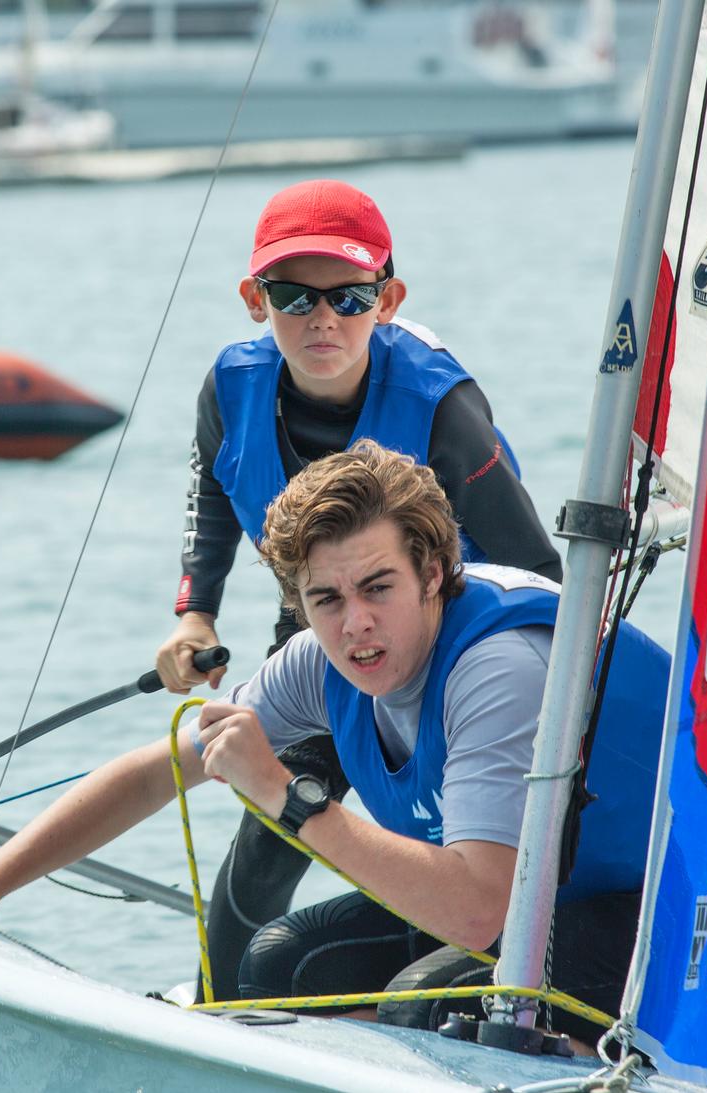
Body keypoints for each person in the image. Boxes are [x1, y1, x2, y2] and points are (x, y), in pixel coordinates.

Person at [0, 442, 668, 1049]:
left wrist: (289, 798)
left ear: (433, 569)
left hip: (665, 918)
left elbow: (477, 907)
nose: (356, 623)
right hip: (533, 910)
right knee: (280, 965)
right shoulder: (321, 660)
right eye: (326, 598)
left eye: (378, 587)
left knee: (428, 1001)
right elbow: (151, 775)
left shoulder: (497, 669)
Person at [155, 177, 563, 997]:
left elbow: (546, 577)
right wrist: (195, 614)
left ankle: (451, 957)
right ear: (253, 298)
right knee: (268, 831)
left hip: (456, 654)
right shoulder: (228, 388)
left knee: (441, 848)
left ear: (388, 299)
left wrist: (470, 687)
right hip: (320, 633)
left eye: (349, 296)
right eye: (291, 295)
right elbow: (214, 496)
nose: (322, 319)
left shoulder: (441, 410)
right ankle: (212, 1013)